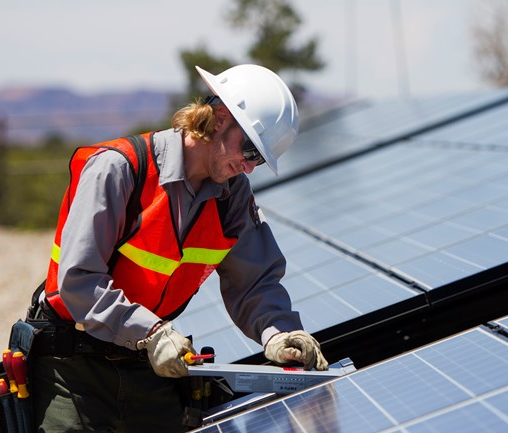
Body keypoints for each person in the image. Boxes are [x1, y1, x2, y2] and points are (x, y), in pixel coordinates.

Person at [26, 64, 328, 433]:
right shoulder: (119, 169)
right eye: (248, 148)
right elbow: (79, 280)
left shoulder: (231, 195)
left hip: (147, 363)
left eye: (259, 159)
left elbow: (254, 281)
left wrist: (280, 332)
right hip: (73, 363)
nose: (248, 167)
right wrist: (150, 332)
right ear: (218, 119)